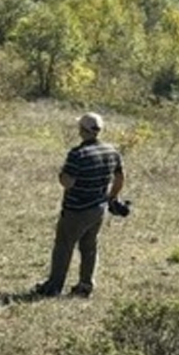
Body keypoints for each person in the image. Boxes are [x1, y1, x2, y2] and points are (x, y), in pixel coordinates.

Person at [32, 112, 125, 299]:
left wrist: (61, 173)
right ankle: (85, 285)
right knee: (89, 246)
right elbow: (120, 177)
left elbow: (67, 182)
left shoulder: (78, 154)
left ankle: (54, 287)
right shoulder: (111, 151)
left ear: (82, 130)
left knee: (64, 246)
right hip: (99, 208)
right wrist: (112, 197)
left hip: (76, 210)